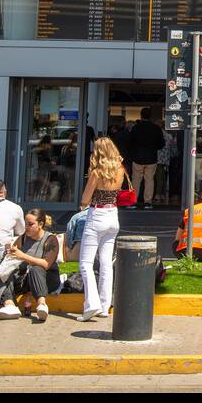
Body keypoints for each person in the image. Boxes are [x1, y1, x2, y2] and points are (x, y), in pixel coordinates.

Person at [75, 137, 125, 322]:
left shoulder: (96, 173)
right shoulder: (120, 169)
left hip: (97, 215)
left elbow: (86, 198)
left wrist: (82, 204)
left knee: (85, 263)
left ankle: (91, 303)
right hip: (113, 214)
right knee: (106, 262)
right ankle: (105, 305)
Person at [0, 210, 60, 321]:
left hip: (47, 278)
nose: (27, 227)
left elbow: (46, 264)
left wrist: (23, 256)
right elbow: (14, 256)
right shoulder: (23, 238)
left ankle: (42, 304)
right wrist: (9, 254)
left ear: (41, 224)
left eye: (30, 224)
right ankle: (10, 305)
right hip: (27, 279)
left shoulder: (50, 240)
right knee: (4, 271)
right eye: (25, 224)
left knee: (36, 269)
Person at [126, 107, 166, 210]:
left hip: (137, 158)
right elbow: (161, 144)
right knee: (149, 180)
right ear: (150, 116)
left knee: (136, 180)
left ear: (141, 115)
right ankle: (148, 202)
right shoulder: (156, 128)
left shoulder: (136, 128)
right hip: (151, 158)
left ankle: (133, 202)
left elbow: (130, 143)